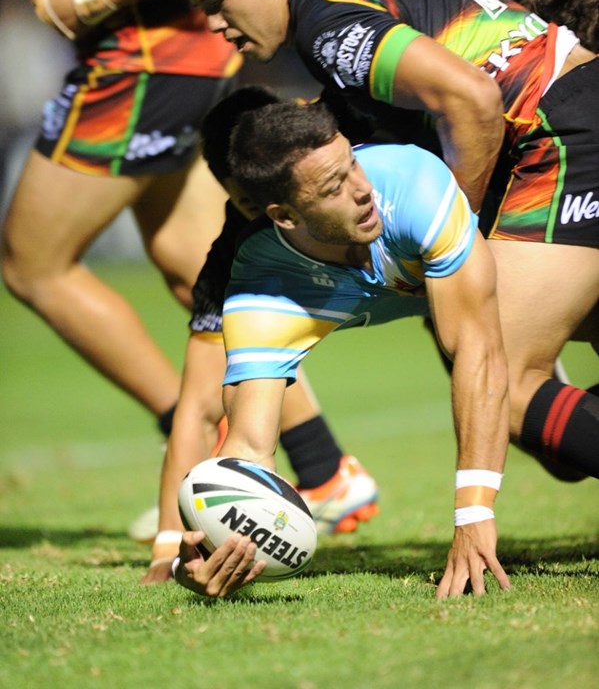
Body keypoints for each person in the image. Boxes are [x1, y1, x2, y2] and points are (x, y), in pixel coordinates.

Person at [169, 0, 599, 483]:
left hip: (560, 127)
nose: (213, 24)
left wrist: (455, 234)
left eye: (217, 1)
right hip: (578, 103)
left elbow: (471, 100)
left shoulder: (327, 28)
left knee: (510, 389)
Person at [171, 100, 513, 599]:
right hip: (439, 294)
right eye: (334, 187)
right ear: (285, 215)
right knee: (547, 441)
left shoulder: (409, 183)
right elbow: (248, 445)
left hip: (516, 240)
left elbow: (480, 354)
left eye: (351, 161)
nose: (361, 189)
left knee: (519, 391)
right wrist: (210, 549)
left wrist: (474, 513)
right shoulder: (265, 282)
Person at [0, 0, 240, 437]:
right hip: (168, 53)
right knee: (195, 268)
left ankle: (200, 438)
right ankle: (325, 469)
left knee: (34, 264)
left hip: (150, 55)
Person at [140, 86, 380, 584]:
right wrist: (168, 550)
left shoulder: (373, 170)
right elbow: (199, 408)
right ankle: (328, 476)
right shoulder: (236, 253)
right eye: (249, 200)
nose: (268, 207)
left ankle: (327, 473)